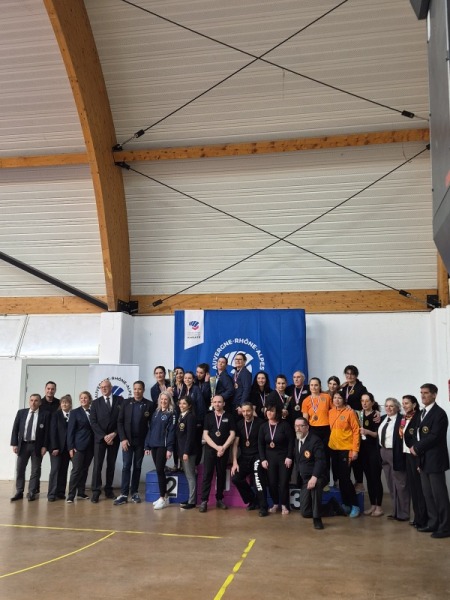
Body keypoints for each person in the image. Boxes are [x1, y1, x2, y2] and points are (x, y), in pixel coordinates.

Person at [409, 384, 450, 538]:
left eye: (426, 393)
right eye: (421, 393)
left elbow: (435, 436)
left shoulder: (439, 414)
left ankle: (445, 527)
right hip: (423, 459)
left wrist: (417, 447)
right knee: (428, 494)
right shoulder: (421, 413)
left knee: (439, 495)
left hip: (435, 459)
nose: (423, 395)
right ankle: (433, 523)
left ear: (434, 395)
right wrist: (416, 450)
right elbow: (416, 433)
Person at [114, 381, 154, 505]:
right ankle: (124, 494)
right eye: (135, 389)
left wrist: (147, 444)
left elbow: (151, 426)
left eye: (139, 389)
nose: (137, 391)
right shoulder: (126, 403)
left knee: (137, 467)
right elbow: (120, 422)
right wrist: (123, 439)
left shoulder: (149, 405)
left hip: (141, 442)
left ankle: (135, 493)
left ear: (143, 390)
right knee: (126, 466)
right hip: (127, 441)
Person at [10, 393, 51, 501]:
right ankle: (19, 491)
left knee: (35, 470)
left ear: (40, 402)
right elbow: (15, 429)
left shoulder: (45, 414)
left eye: (36, 400)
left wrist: (45, 446)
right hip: (23, 445)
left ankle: (32, 492)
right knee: (20, 469)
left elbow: (47, 432)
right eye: (31, 400)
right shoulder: (21, 413)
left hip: (37, 446)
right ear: (29, 401)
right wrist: (14, 444)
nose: (33, 402)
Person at [199, 395, 236, 512]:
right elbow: (205, 435)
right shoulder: (208, 416)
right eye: (215, 402)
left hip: (224, 451)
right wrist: (217, 447)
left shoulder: (229, 416)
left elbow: (232, 434)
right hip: (210, 450)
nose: (217, 404)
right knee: (207, 475)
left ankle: (219, 499)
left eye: (219, 402)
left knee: (221, 475)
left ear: (223, 403)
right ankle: (204, 501)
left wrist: (223, 448)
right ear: (212, 403)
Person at [258, 402, 294, 515]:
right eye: (268, 410)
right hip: (269, 459)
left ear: (277, 412)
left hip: (284, 458)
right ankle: (275, 503)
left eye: (272, 411)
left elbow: (291, 442)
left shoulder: (285, 425)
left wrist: (289, 456)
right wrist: (263, 459)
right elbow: (260, 444)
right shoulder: (263, 426)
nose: (269, 412)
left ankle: (284, 505)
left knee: (283, 483)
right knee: (272, 483)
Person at [328, 391, 361, 517]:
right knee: (339, 478)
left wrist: (355, 450)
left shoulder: (350, 412)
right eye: (335, 398)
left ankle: (355, 505)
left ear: (344, 400)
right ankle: (346, 504)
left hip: (346, 449)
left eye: (339, 398)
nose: (337, 400)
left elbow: (356, 431)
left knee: (345, 478)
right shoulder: (331, 412)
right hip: (333, 448)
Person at [90, 379, 122, 503]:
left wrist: (114, 434)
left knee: (111, 465)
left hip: (114, 438)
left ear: (111, 387)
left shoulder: (120, 400)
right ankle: (96, 492)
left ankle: (109, 490)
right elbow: (93, 422)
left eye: (106, 386)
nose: (104, 388)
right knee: (97, 465)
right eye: (102, 387)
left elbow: (122, 419)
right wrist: (104, 436)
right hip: (100, 439)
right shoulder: (95, 403)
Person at [378, 397, 409, 522]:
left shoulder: (402, 420)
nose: (388, 408)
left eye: (391, 406)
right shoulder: (383, 419)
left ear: (397, 407)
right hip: (383, 452)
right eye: (386, 406)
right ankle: (395, 511)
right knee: (391, 483)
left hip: (396, 453)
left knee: (401, 484)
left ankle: (404, 513)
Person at [144, 391, 176, 510]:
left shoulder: (171, 413)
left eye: (165, 399)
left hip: (163, 446)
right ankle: (163, 496)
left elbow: (172, 432)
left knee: (160, 470)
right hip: (154, 445)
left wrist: (169, 448)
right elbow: (150, 429)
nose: (163, 401)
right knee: (159, 471)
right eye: (161, 399)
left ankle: (163, 498)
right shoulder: (156, 412)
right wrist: (147, 445)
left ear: (169, 401)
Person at [294, 417, 327, 529]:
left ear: (307, 427)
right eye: (296, 426)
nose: (298, 428)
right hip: (305, 479)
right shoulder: (297, 439)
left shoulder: (315, 441)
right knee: (305, 512)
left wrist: (314, 477)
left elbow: (320, 461)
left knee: (315, 486)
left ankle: (317, 519)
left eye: (301, 426)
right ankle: (332, 507)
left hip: (318, 476)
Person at [340, 365, 369, 494]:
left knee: (356, 454)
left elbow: (367, 404)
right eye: (347, 373)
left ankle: (359, 482)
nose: (349, 376)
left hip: (356, 422)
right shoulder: (344, 387)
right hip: (344, 425)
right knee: (346, 455)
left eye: (352, 374)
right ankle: (345, 481)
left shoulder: (361, 388)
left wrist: (376, 411)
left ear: (356, 375)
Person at [401, 394, 428, 528]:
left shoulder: (418, 417)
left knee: (419, 489)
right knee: (413, 488)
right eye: (403, 403)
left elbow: (419, 439)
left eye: (407, 403)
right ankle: (417, 517)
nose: (404, 406)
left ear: (414, 404)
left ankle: (423, 519)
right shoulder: (404, 418)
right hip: (407, 455)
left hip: (415, 456)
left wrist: (418, 460)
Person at [231, 401, 263, 510]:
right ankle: (252, 500)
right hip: (244, 457)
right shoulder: (239, 424)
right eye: (243, 411)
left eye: (248, 411)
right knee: (236, 478)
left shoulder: (260, 423)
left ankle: (261, 504)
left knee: (257, 480)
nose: (246, 413)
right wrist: (235, 462)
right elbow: (235, 444)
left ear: (252, 410)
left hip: (257, 456)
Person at [302, 377, 333, 484]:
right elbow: (305, 419)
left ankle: (326, 481)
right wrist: (304, 432)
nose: (314, 387)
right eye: (312, 385)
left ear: (320, 386)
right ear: (309, 387)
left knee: (326, 455)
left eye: (316, 385)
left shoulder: (327, 397)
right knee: (314, 455)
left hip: (326, 429)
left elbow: (334, 411)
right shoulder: (306, 400)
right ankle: (315, 479)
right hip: (313, 430)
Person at [66, 391, 94, 503]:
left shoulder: (93, 411)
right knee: (76, 470)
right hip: (78, 446)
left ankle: (81, 493)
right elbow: (70, 431)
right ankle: (71, 495)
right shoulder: (74, 412)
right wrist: (70, 447)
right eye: (81, 398)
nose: (83, 400)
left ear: (89, 399)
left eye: (85, 398)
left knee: (85, 470)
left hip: (91, 446)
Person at [359, 393, 383, 517]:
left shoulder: (376, 416)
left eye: (367, 401)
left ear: (372, 402)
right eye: (362, 400)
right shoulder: (359, 414)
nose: (364, 403)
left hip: (374, 450)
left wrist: (367, 432)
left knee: (376, 478)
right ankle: (373, 504)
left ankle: (379, 506)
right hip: (363, 451)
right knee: (368, 478)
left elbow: (378, 434)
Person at [48, 394, 72, 501]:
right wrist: (54, 447)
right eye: (62, 402)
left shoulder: (73, 415)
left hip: (67, 449)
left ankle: (61, 492)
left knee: (63, 470)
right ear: (60, 404)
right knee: (55, 470)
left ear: (70, 404)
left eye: (66, 402)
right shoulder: (55, 415)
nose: (64, 404)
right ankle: (51, 494)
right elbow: (52, 432)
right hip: (56, 448)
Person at [176, 396, 197, 509]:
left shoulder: (190, 417)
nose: (181, 405)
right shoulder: (181, 416)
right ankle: (190, 498)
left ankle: (192, 501)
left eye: (184, 403)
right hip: (182, 450)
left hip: (188, 452)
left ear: (189, 405)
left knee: (190, 476)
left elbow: (190, 436)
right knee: (188, 475)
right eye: (180, 403)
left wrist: (186, 452)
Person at [184, 370, 206, 466]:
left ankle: (196, 464)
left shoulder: (196, 389)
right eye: (185, 378)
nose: (187, 380)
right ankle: (187, 465)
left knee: (196, 442)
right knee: (188, 441)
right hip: (185, 421)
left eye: (189, 378)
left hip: (196, 421)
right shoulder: (183, 389)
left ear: (193, 379)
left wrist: (199, 421)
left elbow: (201, 406)